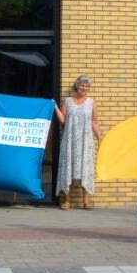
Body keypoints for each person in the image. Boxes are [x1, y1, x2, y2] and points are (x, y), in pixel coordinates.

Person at [55, 75, 102, 210]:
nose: (84, 88)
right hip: (69, 141)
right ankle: (66, 200)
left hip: (86, 141)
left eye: (87, 86)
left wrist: (99, 139)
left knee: (86, 170)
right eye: (82, 85)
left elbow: (94, 122)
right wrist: (55, 108)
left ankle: (86, 201)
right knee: (67, 168)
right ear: (77, 86)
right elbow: (63, 121)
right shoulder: (68, 101)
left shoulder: (91, 102)